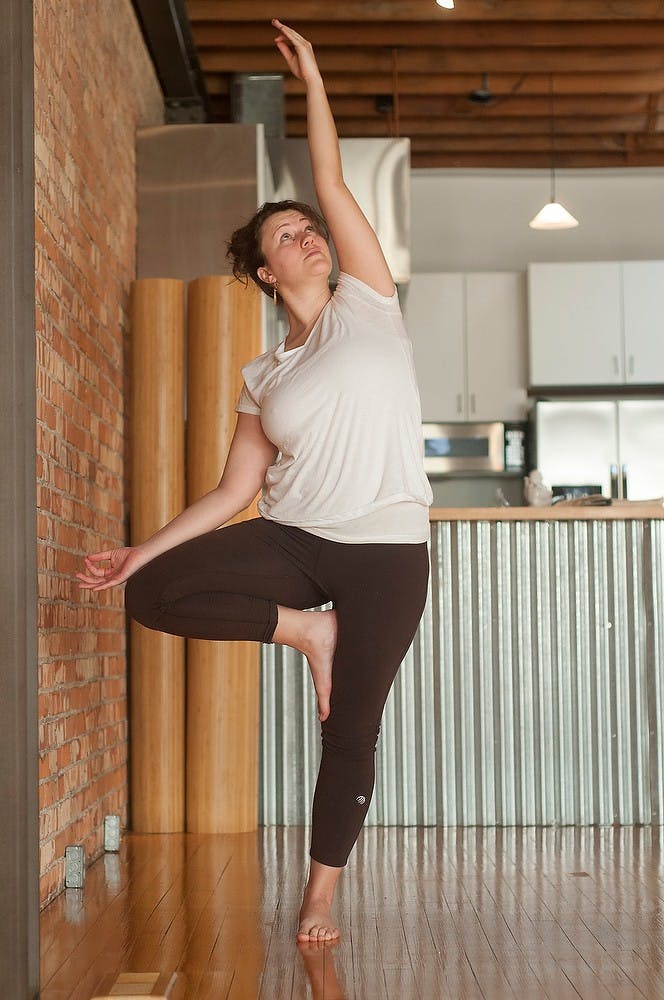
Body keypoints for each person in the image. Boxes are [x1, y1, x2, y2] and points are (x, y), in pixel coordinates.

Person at [77, 19, 433, 943]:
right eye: (288, 236)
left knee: (351, 729)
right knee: (154, 592)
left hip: (387, 551)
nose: (309, 235)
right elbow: (233, 493)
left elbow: (329, 179)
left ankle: (319, 895)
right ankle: (306, 630)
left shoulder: (369, 304)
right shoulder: (262, 376)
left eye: (311, 229)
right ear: (265, 271)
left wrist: (313, 75)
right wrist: (140, 549)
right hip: (297, 538)